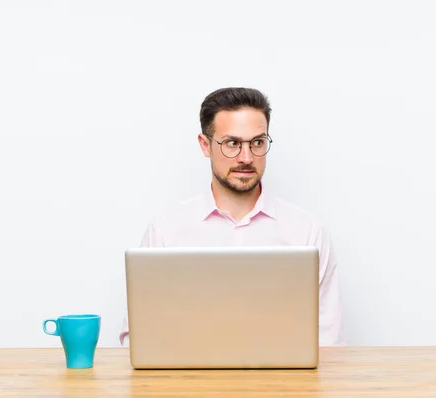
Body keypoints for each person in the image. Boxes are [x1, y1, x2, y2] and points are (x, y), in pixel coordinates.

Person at [120, 87, 345, 346]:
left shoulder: (308, 232)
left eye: (257, 142)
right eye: (232, 144)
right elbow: (136, 338)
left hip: (285, 385)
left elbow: (330, 341)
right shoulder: (166, 231)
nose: (246, 158)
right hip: (187, 385)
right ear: (206, 145)